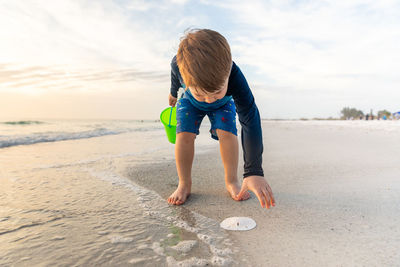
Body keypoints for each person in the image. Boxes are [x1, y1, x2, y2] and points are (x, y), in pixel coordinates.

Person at [167, 29, 275, 209]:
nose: (209, 99)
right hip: (189, 101)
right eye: (202, 94)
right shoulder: (177, 64)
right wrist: (173, 93)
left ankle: (232, 181)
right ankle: (184, 183)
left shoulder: (235, 75)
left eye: (217, 91)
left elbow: (250, 117)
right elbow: (174, 77)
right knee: (183, 135)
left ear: (228, 72)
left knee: (227, 133)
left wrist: (254, 171)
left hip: (224, 104)